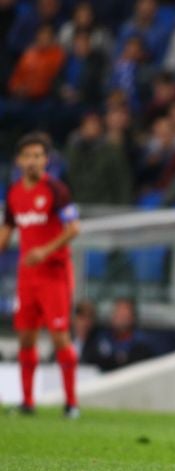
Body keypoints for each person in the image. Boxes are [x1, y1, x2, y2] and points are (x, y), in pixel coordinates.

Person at [0, 133, 81, 417]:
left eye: (38, 156)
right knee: (25, 337)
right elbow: (7, 230)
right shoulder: (13, 193)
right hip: (27, 277)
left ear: (46, 160)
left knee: (60, 336)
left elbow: (73, 229)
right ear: (19, 160)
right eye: (28, 156)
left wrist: (44, 252)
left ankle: (71, 403)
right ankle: (27, 402)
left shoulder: (57, 190)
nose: (33, 161)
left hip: (54, 274)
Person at [81, 297, 155, 372]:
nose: (119, 318)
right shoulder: (101, 337)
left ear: (132, 318)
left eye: (124, 315)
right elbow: (90, 362)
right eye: (117, 313)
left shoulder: (141, 343)